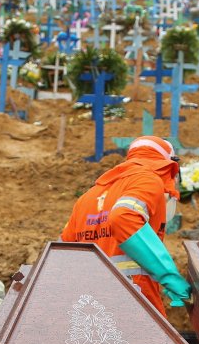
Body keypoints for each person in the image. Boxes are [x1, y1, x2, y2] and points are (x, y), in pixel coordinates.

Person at [60, 135, 189, 316]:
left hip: (89, 304)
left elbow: (62, 251)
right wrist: (167, 274)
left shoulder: (88, 197)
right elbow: (124, 217)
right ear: (166, 165)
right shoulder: (148, 180)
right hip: (133, 298)